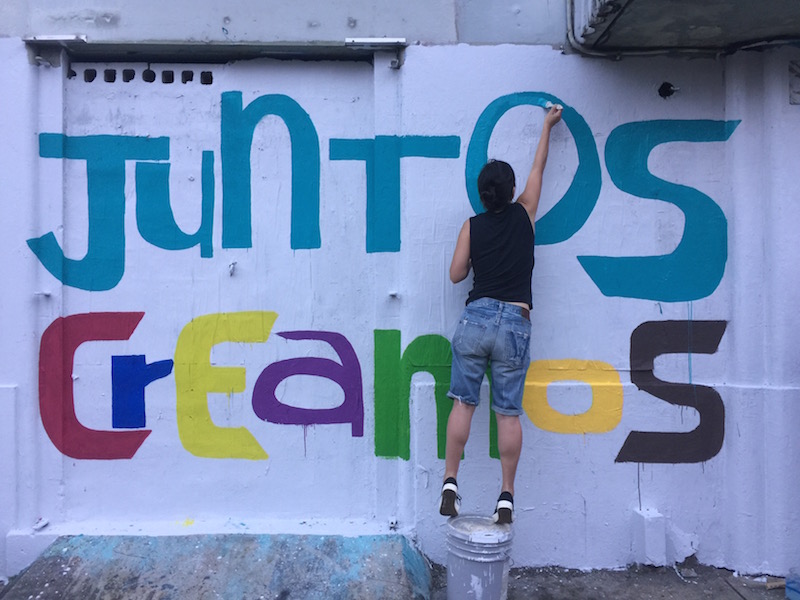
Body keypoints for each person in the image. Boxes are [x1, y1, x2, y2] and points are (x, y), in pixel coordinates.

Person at [440, 105, 563, 524]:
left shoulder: (472, 225)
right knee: (507, 412)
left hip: (475, 320)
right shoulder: (525, 214)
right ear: (511, 193)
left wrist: (476, 257)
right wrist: (546, 126)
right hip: (514, 321)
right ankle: (506, 494)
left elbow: (457, 275)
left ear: (481, 195)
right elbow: (539, 167)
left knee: (463, 403)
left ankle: (450, 481)